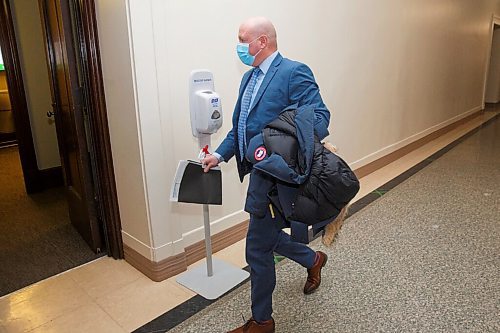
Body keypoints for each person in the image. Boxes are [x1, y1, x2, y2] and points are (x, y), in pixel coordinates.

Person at [202, 16, 330, 333]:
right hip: (259, 173)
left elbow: (320, 118)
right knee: (266, 238)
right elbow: (242, 128)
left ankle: (263, 321)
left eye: (243, 39)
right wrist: (220, 154)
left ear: (262, 42)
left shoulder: (293, 72)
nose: (239, 46)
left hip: (279, 176)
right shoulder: (249, 79)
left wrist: (281, 146)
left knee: (256, 248)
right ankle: (313, 260)